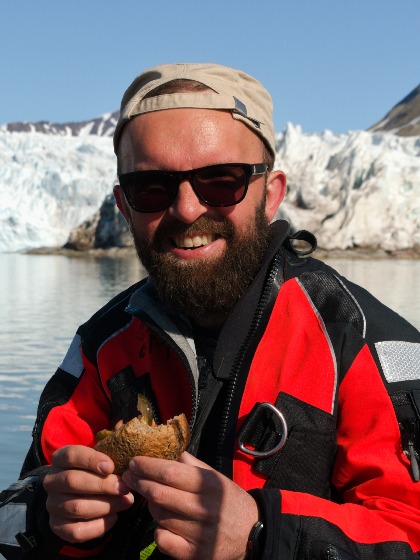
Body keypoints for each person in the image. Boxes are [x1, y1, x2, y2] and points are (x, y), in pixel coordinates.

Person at [1, 62, 420, 560]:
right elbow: (18, 506)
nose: (186, 209)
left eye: (222, 181)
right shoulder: (101, 345)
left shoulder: (364, 344)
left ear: (272, 193)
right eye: (151, 187)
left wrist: (263, 536)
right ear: (124, 205)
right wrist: (48, 516)